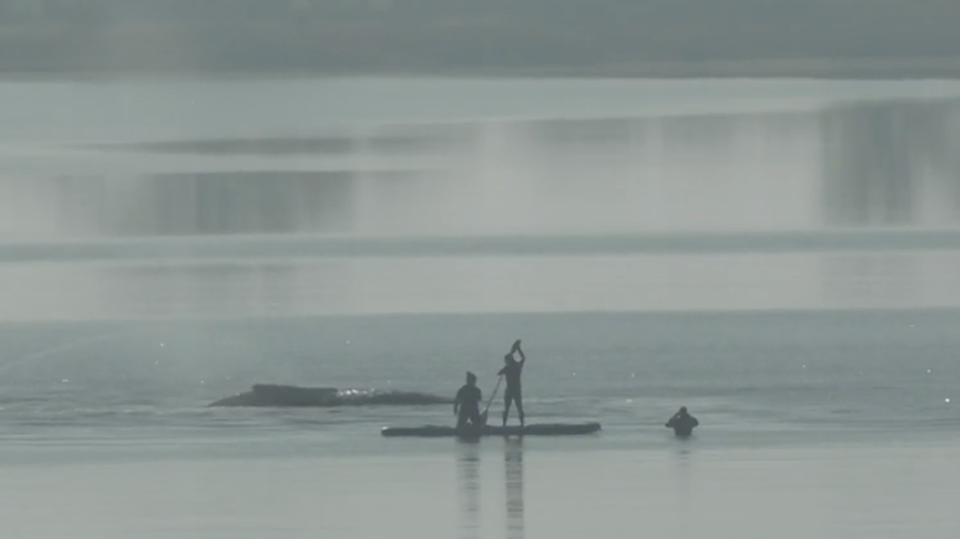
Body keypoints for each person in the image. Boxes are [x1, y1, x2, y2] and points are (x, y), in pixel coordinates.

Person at [498, 339, 526, 427]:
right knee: (510, 408)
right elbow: (499, 373)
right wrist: (518, 349)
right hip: (511, 389)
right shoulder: (512, 367)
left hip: (514, 389)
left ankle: (518, 424)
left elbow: (523, 358)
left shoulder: (512, 367)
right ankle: (506, 424)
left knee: (517, 408)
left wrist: (518, 349)